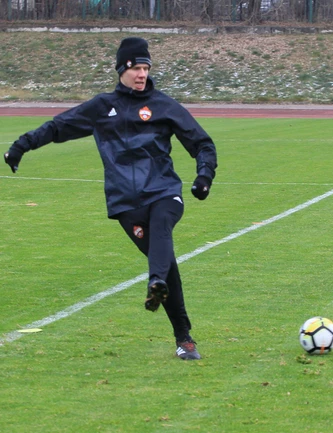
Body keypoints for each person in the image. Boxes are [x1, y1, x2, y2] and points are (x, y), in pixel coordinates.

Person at [3, 37, 217, 361]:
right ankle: (180, 330)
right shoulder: (102, 108)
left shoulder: (164, 106)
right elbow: (59, 127)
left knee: (162, 227)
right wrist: (21, 145)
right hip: (126, 203)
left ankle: (163, 296)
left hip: (164, 191)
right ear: (121, 70)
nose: (142, 74)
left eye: (146, 68)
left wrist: (204, 176)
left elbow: (202, 143)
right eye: (136, 68)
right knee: (165, 262)